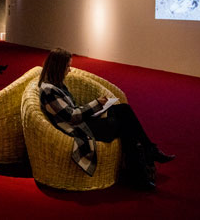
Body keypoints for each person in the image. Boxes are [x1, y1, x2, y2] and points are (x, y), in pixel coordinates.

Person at [38, 48, 175, 190]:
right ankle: (146, 159)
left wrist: (97, 107)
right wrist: (96, 104)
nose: (70, 70)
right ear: (58, 67)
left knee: (124, 110)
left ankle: (142, 168)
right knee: (125, 125)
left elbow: (71, 112)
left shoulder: (55, 85)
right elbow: (72, 116)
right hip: (79, 129)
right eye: (67, 66)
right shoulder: (49, 90)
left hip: (82, 122)